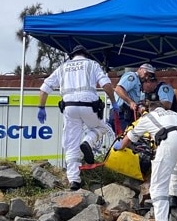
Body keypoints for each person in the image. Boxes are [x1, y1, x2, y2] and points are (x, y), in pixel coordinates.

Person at [37, 45, 119, 191]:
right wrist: (113, 102)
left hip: (69, 107)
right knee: (101, 127)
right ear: (85, 54)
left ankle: (74, 181)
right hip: (90, 105)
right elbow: (106, 85)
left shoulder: (62, 67)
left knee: (71, 144)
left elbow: (44, 89)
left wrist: (41, 108)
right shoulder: (92, 64)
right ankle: (87, 142)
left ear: (72, 55)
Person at [112, 101, 177, 221]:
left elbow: (130, 138)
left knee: (158, 185)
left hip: (171, 141)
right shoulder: (174, 113)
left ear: (149, 109)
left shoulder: (147, 117)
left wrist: (119, 147)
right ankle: (173, 197)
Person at [109, 63, 155, 132]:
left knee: (127, 139)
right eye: (146, 74)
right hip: (121, 113)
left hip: (126, 115)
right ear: (140, 69)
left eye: (149, 76)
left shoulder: (138, 83)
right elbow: (118, 89)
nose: (147, 77)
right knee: (124, 139)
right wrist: (130, 102)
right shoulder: (132, 77)